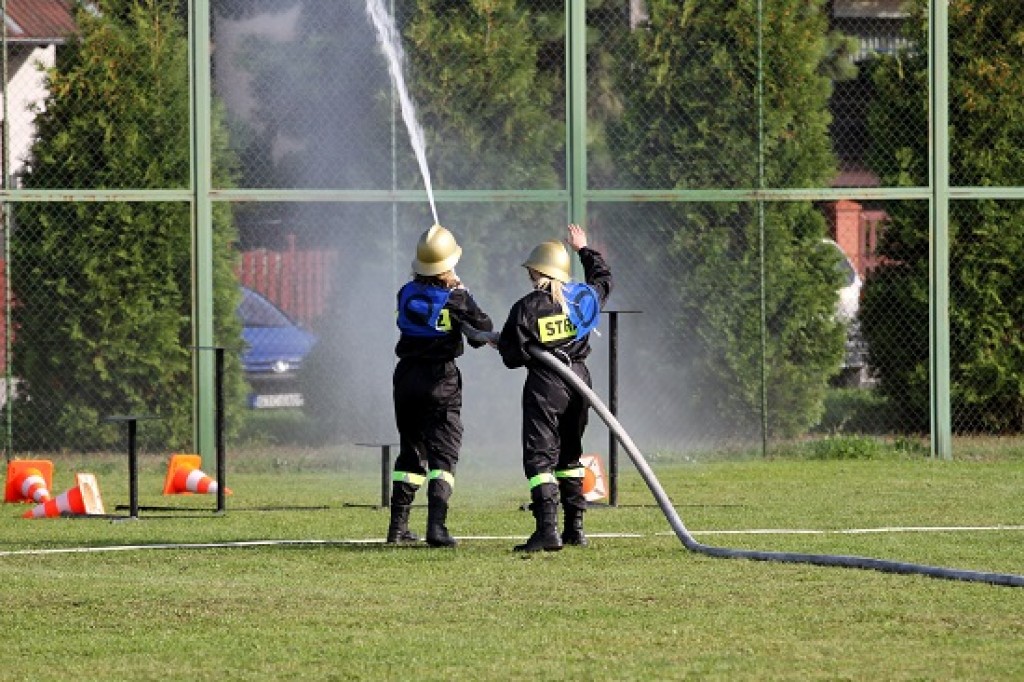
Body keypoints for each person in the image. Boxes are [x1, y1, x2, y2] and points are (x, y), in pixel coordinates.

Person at [497, 224, 613, 552]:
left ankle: (547, 530)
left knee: (539, 458)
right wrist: (584, 249)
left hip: (546, 384)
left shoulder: (528, 307)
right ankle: (575, 528)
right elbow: (604, 280)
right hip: (580, 381)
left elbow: (511, 356)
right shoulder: (584, 299)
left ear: (536, 272)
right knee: (571, 454)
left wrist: (505, 344)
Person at [390, 224, 494, 547]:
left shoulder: (406, 293)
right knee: (443, 454)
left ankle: (397, 528)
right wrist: (463, 291)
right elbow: (483, 330)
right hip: (440, 381)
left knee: (411, 453)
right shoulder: (457, 298)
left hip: (406, 378)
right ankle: (437, 527)